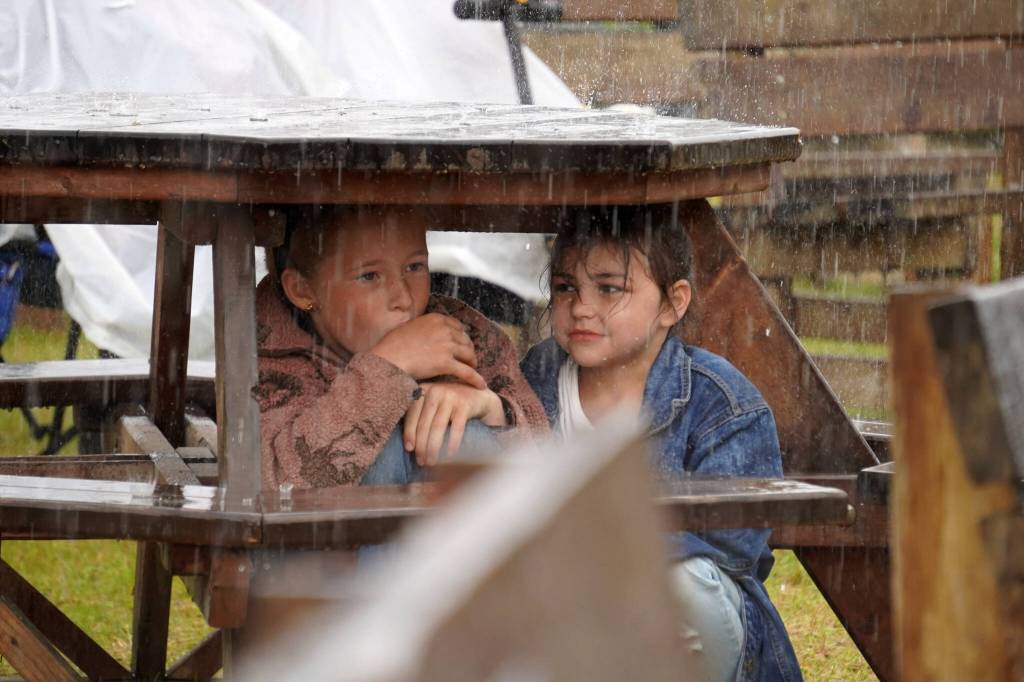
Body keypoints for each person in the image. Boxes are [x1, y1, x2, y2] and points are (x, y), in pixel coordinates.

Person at [520, 206, 802, 682]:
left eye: (609, 288)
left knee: (680, 584)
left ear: (673, 304)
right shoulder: (537, 379)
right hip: (569, 609)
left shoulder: (721, 402)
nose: (582, 307)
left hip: (684, 626)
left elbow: (733, 543)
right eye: (567, 287)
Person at [256, 204, 548, 489]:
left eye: (414, 267)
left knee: (463, 434)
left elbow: (550, 465)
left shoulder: (462, 332)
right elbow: (283, 484)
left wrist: (491, 409)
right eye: (369, 275)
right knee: (383, 450)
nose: (403, 298)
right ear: (302, 290)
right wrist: (388, 365)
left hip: (467, 535)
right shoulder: (266, 352)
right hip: (345, 538)